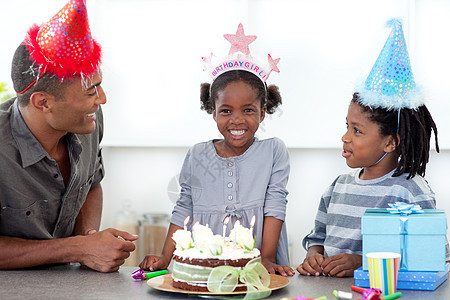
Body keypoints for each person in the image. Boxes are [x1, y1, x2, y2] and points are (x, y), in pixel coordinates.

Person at [297, 19, 449, 277]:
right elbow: (317, 238)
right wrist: (314, 255)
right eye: (347, 126)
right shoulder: (338, 187)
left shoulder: (410, 190)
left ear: (390, 142)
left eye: (357, 130)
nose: (345, 137)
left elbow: (434, 257)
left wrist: (361, 262)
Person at [140, 24, 294, 276]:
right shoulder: (197, 155)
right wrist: (165, 257)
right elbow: (184, 207)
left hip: (257, 264)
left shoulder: (274, 151)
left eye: (248, 110)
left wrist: (266, 257)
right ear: (213, 111)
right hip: (205, 263)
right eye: (226, 110)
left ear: (263, 112)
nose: (237, 120)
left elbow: (275, 205)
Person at [0, 0, 137, 272]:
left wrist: (89, 239)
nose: (103, 99)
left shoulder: (88, 121)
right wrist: (77, 248)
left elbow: (91, 184)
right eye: (90, 92)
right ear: (43, 102)